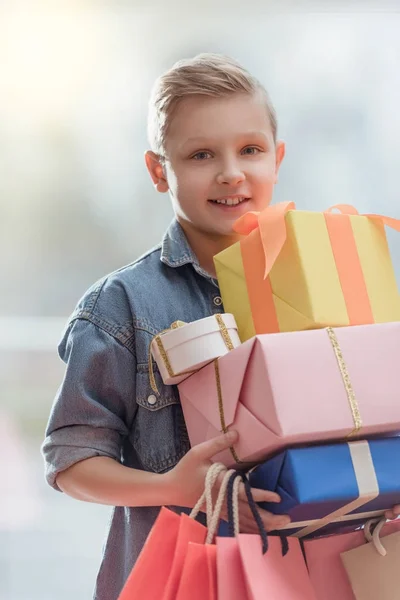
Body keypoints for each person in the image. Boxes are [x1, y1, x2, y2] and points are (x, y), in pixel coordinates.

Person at [41, 53, 400, 600]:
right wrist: (171, 487)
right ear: (160, 171)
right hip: (191, 574)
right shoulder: (123, 305)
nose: (231, 172)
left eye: (250, 150)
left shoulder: (337, 274)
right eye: (202, 154)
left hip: (331, 570)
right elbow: (72, 461)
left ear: (276, 159)